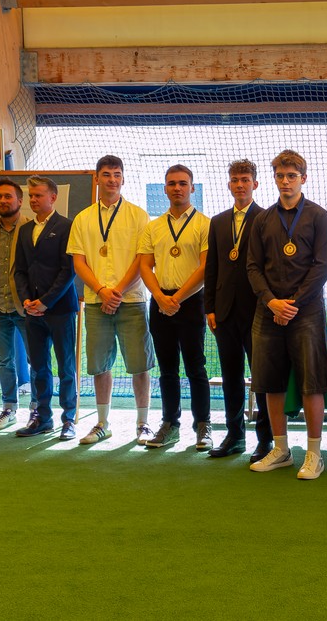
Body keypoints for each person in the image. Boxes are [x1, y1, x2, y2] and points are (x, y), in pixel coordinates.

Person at [247, 149, 327, 480]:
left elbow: (322, 267)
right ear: (275, 179)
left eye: (292, 176)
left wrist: (292, 303)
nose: (285, 181)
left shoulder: (318, 216)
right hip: (268, 312)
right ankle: (281, 450)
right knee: (270, 382)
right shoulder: (262, 220)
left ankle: (314, 455)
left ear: (303, 178)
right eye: (280, 176)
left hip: (307, 311)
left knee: (312, 383)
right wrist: (272, 303)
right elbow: (253, 267)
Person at [68, 155, 155, 445]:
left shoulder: (138, 216)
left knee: (140, 365)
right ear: (97, 179)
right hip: (96, 302)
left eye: (117, 174)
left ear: (123, 179)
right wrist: (102, 290)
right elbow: (78, 262)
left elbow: (143, 259)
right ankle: (102, 423)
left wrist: (116, 291)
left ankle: (143, 424)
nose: (112, 180)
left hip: (131, 300)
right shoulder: (83, 218)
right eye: (106, 174)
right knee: (99, 365)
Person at [203, 159, 273, 461]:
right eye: (235, 179)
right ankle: (234, 435)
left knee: (262, 378)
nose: (240, 184)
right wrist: (209, 307)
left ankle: (266, 439)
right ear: (229, 184)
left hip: (257, 312)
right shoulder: (217, 221)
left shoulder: (267, 218)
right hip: (224, 312)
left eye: (245, 179)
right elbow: (212, 266)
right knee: (231, 376)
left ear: (255, 184)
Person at [139, 165, 212, 450]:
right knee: (167, 369)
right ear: (165, 189)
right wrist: (159, 296)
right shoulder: (153, 226)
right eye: (172, 183)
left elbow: (205, 267)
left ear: (192, 188)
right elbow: (145, 265)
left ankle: (203, 425)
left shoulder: (204, 224)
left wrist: (178, 298)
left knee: (196, 367)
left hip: (191, 301)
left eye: (183, 183)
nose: (177, 188)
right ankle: (170, 424)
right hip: (160, 302)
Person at [13, 176, 80, 441]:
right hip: (32, 312)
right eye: (30, 195)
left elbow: (69, 270)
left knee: (66, 368)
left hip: (61, 310)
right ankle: (42, 418)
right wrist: (27, 301)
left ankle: (69, 420)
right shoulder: (24, 230)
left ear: (53, 197)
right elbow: (20, 270)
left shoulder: (67, 226)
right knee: (38, 368)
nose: (33, 200)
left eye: (38, 195)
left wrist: (46, 301)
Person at [0, 178, 35, 432]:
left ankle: (37, 410)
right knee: (5, 362)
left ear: (20, 201)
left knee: (36, 360)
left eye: (8, 196)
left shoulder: (32, 228)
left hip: (26, 307)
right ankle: (9, 408)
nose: (3, 200)